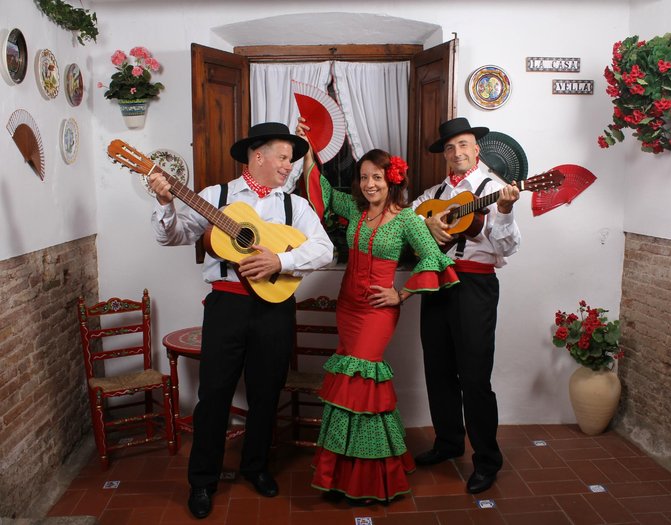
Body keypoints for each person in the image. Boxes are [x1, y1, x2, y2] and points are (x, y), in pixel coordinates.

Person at [148, 122, 334, 519]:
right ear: (258, 155)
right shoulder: (216, 197)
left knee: (267, 392)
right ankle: (202, 481)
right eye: (283, 157)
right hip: (226, 307)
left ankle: (256, 467)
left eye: (291, 159)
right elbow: (174, 237)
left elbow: (324, 250)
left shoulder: (294, 205)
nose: (289, 166)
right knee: (213, 395)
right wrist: (166, 204)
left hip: (275, 309)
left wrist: (280, 260)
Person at [296, 118, 459, 505]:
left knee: (362, 383)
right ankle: (341, 473)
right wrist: (307, 150)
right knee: (349, 387)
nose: (370, 184)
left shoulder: (406, 220)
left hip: (377, 312)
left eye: (377, 178)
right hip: (348, 306)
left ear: (392, 180)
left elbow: (434, 260)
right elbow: (319, 188)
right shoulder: (354, 210)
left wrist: (400, 296)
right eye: (364, 177)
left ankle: (368, 478)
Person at [411, 117, 521, 494]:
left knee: (474, 376)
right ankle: (447, 443)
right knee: (437, 368)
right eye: (450, 147)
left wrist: (504, 212)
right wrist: (425, 226)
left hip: (474, 284)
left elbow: (506, 248)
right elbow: (409, 223)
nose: (457, 152)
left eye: (463, 145)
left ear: (477, 148)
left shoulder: (496, 189)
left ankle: (487, 460)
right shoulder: (433, 193)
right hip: (436, 281)